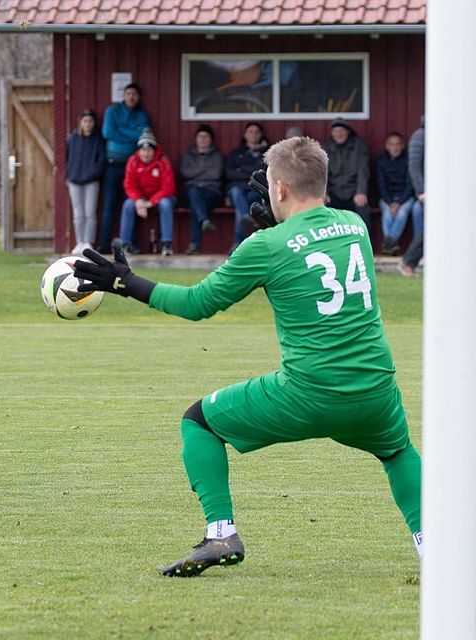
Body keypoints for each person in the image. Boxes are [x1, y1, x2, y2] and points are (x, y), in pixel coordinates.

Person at [73, 136, 421, 577]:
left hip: (308, 393)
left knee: (198, 421)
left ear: (277, 190)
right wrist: (277, 229)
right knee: (397, 453)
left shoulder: (265, 247)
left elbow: (197, 303)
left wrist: (126, 283)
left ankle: (221, 533)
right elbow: (308, 245)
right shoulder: (356, 226)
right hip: (375, 390)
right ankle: (433, 546)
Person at [99, 82, 151, 253]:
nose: (131, 97)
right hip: (113, 164)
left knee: (131, 203)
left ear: (138, 97)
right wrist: (132, 133)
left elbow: (143, 135)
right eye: (128, 93)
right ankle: (104, 244)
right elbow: (107, 133)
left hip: (133, 166)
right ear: (124, 95)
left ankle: (129, 245)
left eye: (134, 94)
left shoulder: (142, 114)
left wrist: (120, 131)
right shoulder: (112, 111)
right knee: (109, 205)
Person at [119, 128, 176, 255]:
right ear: (139, 151)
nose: (146, 154)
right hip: (141, 197)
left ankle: (166, 244)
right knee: (128, 205)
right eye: (143, 150)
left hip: (161, 197)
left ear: (154, 150)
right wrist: (139, 201)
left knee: (166, 204)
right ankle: (125, 245)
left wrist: (150, 203)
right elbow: (129, 185)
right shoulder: (133, 161)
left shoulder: (162, 161)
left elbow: (168, 187)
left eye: (149, 150)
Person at [180, 124, 224, 255]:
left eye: (206, 136)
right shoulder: (187, 155)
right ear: (196, 138)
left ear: (211, 139)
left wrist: (196, 174)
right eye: (200, 136)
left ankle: (194, 244)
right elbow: (185, 172)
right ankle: (204, 220)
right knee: (194, 194)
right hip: (191, 192)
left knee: (196, 204)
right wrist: (204, 172)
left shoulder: (217, 156)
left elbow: (216, 173)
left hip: (211, 192)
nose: (203, 139)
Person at [225, 122, 269, 253]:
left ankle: (238, 243)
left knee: (246, 202)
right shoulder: (236, 153)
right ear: (245, 135)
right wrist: (251, 172)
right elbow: (229, 173)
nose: (253, 134)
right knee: (236, 192)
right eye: (250, 131)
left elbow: (265, 173)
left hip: (255, 191)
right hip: (237, 191)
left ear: (261, 135)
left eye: (256, 132)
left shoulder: (266, 153)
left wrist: (241, 170)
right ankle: (246, 221)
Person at [66, 109, 106, 254]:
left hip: (91, 181)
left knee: (90, 211)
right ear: (80, 123)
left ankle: (88, 242)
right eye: (85, 121)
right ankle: (79, 242)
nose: (87, 124)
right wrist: (70, 174)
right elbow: (66, 157)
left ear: (94, 123)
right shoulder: (73, 139)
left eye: (90, 121)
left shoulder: (98, 140)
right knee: (78, 212)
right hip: (74, 180)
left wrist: (93, 174)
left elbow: (101, 160)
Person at [376, 132, 418, 255]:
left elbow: (410, 185)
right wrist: (390, 203)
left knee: (402, 213)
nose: (395, 147)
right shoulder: (381, 161)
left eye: (398, 144)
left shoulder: (408, 160)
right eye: (392, 144)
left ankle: (389, 243)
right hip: (387, 198)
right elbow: (381, 185)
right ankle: (392, 244)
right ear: (387, 146)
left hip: (405, 197)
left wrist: (399, 203)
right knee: (387, 214)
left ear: (403, 146)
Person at [324, 118, 370, 229]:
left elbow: (363, 171)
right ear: (332, 133)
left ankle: (368, 244)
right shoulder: (326, 148)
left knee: (364, 215)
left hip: (353, 193)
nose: (339, 134)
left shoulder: (358, 146)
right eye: (336, 131)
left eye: (341, 131)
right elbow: (323, 173)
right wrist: (324, 193)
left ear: (348, 131)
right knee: (324, 214)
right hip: (334, 193)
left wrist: (361, 192)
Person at [399, 117, 425, 277]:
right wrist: (421, 190)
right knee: (432, 230)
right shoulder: (420, 136)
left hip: (439, 190)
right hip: (428, 191)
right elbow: (414, 165)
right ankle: (408, 262)